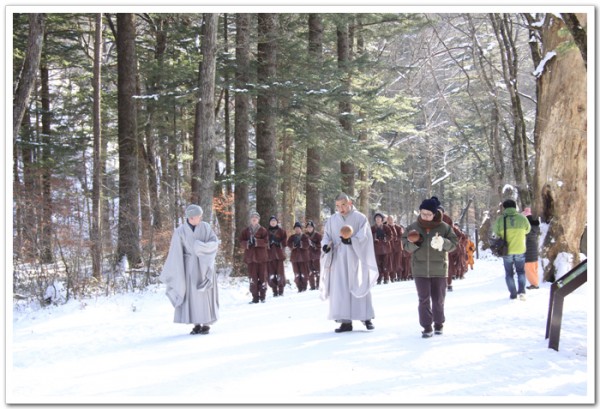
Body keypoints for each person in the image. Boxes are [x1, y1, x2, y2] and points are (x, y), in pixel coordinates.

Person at [320, 193, 379, 333]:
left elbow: (365, 236)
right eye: (338, 206)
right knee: (340, 288)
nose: (341, 209)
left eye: (343, 205)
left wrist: (351, 241)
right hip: (338, 259)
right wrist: (325, 246)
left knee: (358, 284)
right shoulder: (332, 220)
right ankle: (345, 321)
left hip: (355, 257)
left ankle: (366, 318)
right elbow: (326, 236)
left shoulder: (360, 218)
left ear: (350, 203)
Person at [159, 204, 220, 335]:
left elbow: (214, 243)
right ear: (192, 218)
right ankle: (196, 323)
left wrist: (201, 247)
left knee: (205, 294)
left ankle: (206, 323)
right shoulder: (180, 231)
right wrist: (177, 272)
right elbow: (175, 252)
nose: (201, 218)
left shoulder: (206, 227)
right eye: (199, 216)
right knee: (192, 296)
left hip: (204, 265)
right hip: (189, 267)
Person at [402, 198, 458, 338]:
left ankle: (439, 323)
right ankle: (427, 326)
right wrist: (415, 243)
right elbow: (405, 247)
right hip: (419, 269)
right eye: (423, 213)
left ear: (435, 214)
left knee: (438, 299)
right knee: (423, 299)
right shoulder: (413, 227)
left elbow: (454, 245)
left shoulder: (444, 227)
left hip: (439, 268)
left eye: (428, 214)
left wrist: (443, 242)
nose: (425, 216)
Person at [493, 199, 531, 301]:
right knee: (521, 272)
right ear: (515, 207)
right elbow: (528, 229)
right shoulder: (522, 218)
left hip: (506, 250)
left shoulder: (500, 220)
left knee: (509, 273)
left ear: (504, 208)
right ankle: (522, 292)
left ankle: (513, 293)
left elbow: (496, 232)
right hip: (520, 249)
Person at [239, 211, 269, 303]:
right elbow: (241, 241)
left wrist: (256, 242)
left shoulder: (263, 230)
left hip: (261, 258)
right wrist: (248, 243)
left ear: (258, 219)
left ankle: (263, 297)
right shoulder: (245, 231)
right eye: (252, 217)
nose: (254, 218)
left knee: (262, 277)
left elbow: (266, 241)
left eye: (256, 217)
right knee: (252, 278)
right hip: (250, 258)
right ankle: (255, 298)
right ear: (250, 219)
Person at [266, 215, 287, 297]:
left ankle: (281, 290)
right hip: (270, 256)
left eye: (274, 221)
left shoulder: (281, 231)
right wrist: (269, 243)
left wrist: (280, 243)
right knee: (271, 273)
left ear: (277, 222)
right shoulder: (266, 232)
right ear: (269, 222)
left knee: (280, 273)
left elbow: (285, 241)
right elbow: (264, 241)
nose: (273, 222)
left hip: (279, 255)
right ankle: (274, 290)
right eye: (271, 221)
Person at [287, 221, 310, 292]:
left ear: (301, 229)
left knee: (304, 273)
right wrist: (293, 245)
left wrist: (301, 244)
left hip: (303, 258)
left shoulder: (305, 236)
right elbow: (288, 244)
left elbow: (307, 245)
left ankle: (304, 287)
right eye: (296, 228)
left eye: (298, 228)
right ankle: (299, 287)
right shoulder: (292, 237)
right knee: (297, 274)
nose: (297, 229)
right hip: (295, 258)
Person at [372, 213, 393, 284]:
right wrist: (374, 239)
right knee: (378, 264)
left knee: (385, 264)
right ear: (375, 219)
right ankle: (379, 278)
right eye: (376, 218)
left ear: (382, 219)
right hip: (376, 249)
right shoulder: (372, 228)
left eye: (379, 218)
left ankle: (386, 278)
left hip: (385, 248)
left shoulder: (386, 227)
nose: (378, 219)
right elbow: (369, 236)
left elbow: (391, 235)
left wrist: (385, 238)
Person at [523, 208, 541, 289]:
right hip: (534, 249)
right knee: (534, 268)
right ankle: (535, 282)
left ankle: (534, 284)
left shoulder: (527, 228)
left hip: (529, 250)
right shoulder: (535, 227)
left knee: (529, 269)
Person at [305, 220, 322, 291]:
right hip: (308, 256)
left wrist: (314, 245)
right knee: (310, 271)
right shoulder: (305, 235)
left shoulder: (318, 235)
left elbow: (321, 244)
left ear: (313, 228)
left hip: (316, 255)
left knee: (318, 271)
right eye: (308, 227)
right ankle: (312, 286)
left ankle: (318, 285)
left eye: (311, 227)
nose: (309, 228)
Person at [387, 215, 404, 283]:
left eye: (391, 219)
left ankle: (399, 276)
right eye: (388, 219)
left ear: (393, 220)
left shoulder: (398, 227)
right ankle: (392, 277)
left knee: (398, 262)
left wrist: (396, 239)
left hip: (398, 247)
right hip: (390, 247)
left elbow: (402, 236)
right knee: (391, 262)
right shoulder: (386, 227)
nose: (390, 221)